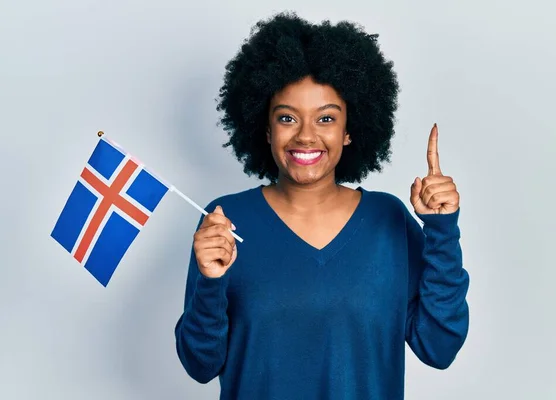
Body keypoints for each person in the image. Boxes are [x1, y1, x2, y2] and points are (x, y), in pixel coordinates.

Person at [174, 11, 469, 400]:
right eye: (287, 118)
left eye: (326, 118)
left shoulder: (389, 220)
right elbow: (200, 365)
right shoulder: (226, 220)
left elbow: (439, 348)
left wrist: (442, 231)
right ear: (265, 128)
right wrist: (210, 285)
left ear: (349, 131)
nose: (306, 136)